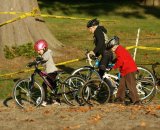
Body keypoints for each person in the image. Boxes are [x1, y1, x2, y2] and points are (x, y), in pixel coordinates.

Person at [106, 36, 141, 105]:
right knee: (122, 85)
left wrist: (114, 67)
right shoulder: (119, 49)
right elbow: (119, 58)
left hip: (129, 69)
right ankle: (119, 99)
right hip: (125, 70)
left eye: (112, 48)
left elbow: (121, 60)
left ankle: (136, 100)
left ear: (115, 46)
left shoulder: (119, 50)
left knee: (131, 86)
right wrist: (113, 61)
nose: (112, 50)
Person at [34, 39, 60, 106]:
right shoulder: (43, 54)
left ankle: (44, 101)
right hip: (50, 73)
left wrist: (39, 59)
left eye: (39, 50)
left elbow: (44, 58)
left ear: (44, 48)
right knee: (53, 87)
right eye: (37, 51)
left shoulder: (47, 53)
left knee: (44, 85)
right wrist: (34, 62)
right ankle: (56, 100)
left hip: (52, 72)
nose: (39, 52)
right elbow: (40, 58)